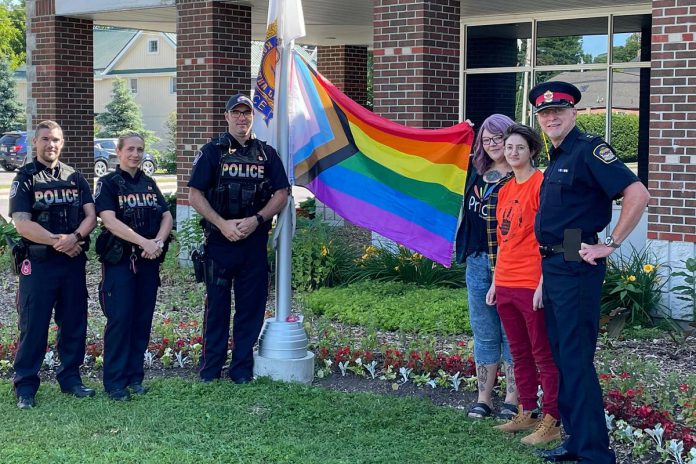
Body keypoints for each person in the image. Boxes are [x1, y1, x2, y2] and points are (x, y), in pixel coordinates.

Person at [530, 82, 650, 464]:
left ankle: (595, 454)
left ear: (573, 114)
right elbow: (563, 222)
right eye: (545, 114)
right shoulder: (559, 155)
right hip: (560, 258)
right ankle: (576, 443)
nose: (551, 117)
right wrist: (548, 271)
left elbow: (637, 193)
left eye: (558, 112)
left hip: (578, 265)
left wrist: (610, 244)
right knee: (564, 356)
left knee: (576, 358)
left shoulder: (589, 151)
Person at [188, 93, 290, 384]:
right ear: (227, 116)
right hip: (220, 244)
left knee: (250, 309)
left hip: (253, 244)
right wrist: (222, 224)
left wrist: (256, 219)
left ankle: (241, 370)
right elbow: (195, 195)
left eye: (246, 113)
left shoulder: (266, 154)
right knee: (217, 309)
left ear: (252, 117)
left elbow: (282, 193)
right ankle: (210, 370)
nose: (242, 117)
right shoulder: (212, 152)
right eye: (237, 112)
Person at [9, 120, 97, 409]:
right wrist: (58, 241)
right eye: (45, 139)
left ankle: (70, 379)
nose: (51, 145)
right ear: (35, 142)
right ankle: (25, 386)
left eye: (56, 139)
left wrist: (74, 237)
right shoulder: (25, 177)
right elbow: (22, 223)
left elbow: (91, 216)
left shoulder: (75, 177)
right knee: (33, 325)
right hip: (40, 265)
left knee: (74, 322)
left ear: (62, 143)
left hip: (72, 263)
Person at [488, 124, 561, 446]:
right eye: (508, 147)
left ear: (532, 150)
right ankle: (526, 411)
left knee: (542, 353)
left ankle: (552, 419)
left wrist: (545, 282)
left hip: (531, 283)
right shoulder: (504, 189)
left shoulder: (541, 184)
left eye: (519, 147)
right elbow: (503, 239)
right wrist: (494, 281)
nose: (512, 152)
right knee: (518, 353)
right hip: (504, 280)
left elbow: (554, 236)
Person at [94, 132, 173, 401]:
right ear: (118, 152)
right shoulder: (108, 183)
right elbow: (109, 220)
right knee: (120, 320)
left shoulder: (149, 183)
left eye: (140, 150)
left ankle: (135, 377)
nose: (135, 154)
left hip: (149, 262)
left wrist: (158, 242)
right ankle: (115, 382)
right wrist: (144, 242)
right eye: (130, 149)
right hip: (121, 262)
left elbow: (166, 215)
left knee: (142, 320)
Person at [455, 114, 518, 420]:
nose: (493, 145)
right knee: (484, 331)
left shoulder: (521, 175)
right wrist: (459, 134)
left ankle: (512, 399)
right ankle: (483, 398)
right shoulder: (475, 171)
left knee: (511, 332)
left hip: (511, 265)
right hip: (478, 261)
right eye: (487, 139)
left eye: (499, 138)